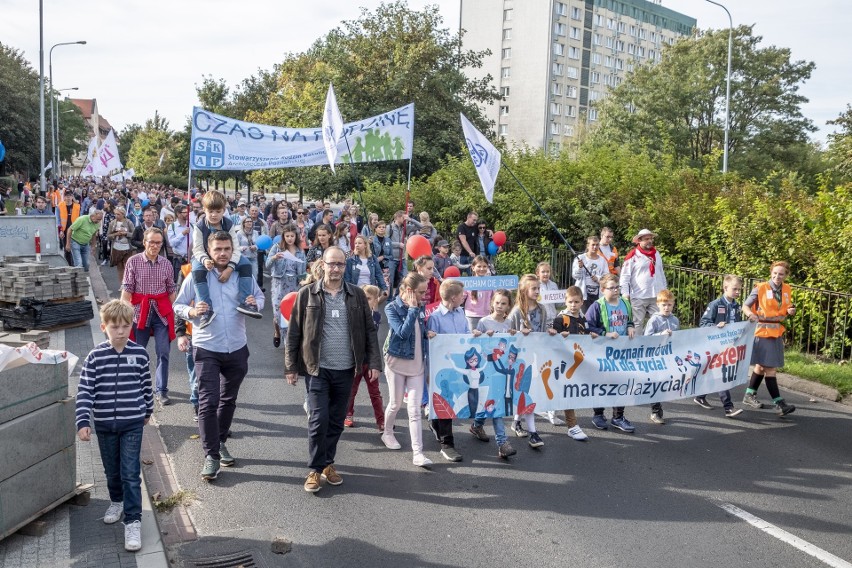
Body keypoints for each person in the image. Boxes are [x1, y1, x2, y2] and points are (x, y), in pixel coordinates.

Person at [284, 247, 382, 493]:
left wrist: (375, 363)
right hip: (318, 369)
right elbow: (294, 332)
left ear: (344, 266)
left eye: (340, 264)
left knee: (337, 422)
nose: (336, 268)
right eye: (332, 264)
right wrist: (291, 367)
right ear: (323, 265)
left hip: (347, 369)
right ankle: (315, 470)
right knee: (319, 420)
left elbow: (369, 331)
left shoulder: (357, 295)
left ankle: (328, 463)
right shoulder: (307, 294)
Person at [174, 230, 264, 481]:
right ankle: (211, 455)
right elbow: (178, 305)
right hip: (206, 347)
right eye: (218, 250)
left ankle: (220, 441)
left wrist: (255, 303)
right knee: (208, 401)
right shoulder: (196, 276)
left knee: (228, 400)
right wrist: (191, 312)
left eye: (226, 249)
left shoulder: (241, 274)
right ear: (210, 253)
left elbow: (260, 298)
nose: (223, 254)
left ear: (231, 250)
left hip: (236, 347)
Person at [75, 300, 153, 552]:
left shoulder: (139, 353)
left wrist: (147, 410)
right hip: (105, 424)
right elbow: (85, 390)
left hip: (132, 423)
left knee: (130, 472)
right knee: (112, 470)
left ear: (132, 326)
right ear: (103, 327)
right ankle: (116, 501)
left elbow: (145, 386)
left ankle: (133, 521)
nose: (120, 331)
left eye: (126, 326)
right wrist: (83, 421)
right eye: (115, 326)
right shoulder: (95, 356)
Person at [427, 279, 482, 462]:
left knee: (458, 402)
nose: (464, 296)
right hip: (444, 368)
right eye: (461, 295)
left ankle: (434, 423)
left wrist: (472, 335)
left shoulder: (461, 313)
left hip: (461, 366)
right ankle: (447, 444)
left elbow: (464, 335)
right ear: (452, 297)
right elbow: (432, 347)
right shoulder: (435, 317)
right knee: (446, 402)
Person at [121, 228, 177, 405]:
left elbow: (171, 291)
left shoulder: (167, 264)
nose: (154, 246)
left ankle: (162, 390)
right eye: (151, 242)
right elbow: (127, 290)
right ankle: (136, 388)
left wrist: (176, 315)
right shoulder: (133, 261)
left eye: (158, 243)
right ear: (144, 242)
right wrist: (123, 316)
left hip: (161, 312)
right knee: (137, 353)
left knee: (164, 352)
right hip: (139, 313)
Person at [190, 191, 261, 327]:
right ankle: (206, 309)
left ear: (224, 210)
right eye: (211, 211)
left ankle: (245, 301)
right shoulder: (199, 226)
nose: (214, 215)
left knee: (246, 264)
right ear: (204, 210)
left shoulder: (228, 224)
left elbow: (235, 248)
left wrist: (230, 268)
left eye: (218, 211)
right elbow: (197, 249)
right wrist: (205, 260)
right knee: (197, 270)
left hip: (226, 255)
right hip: (205, 256)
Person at [507, 274, 556, 447]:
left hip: (535, 357)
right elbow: (509, 335)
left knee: (529, 393)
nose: (537, 291)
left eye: (538, 288)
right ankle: (532, 432)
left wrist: (548, 333)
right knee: (525, 393)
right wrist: (520, 334)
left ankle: (518, 422)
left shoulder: (542, 310)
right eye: (534, 288)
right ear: (524, 290)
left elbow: (542, 331)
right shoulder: (516, 312)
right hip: (520, 359)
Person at [741, 261, 797, 416]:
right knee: (770, 368)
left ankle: (749, 394)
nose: (777, 276)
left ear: (786, 275)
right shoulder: (761, 288)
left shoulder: (787, 289)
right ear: (771, 272)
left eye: (781, 274)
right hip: (762, 331)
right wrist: (750, 314)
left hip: (776, 331)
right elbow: (745, 306)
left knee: (760, 366)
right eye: (775, 273)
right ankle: (779, 403)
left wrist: (791, 310)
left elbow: (786, 306)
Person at [586, 273, 636, 432]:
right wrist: (604, 334)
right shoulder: (597, 306)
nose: (616, 290)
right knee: (601, 383)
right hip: (602, 352)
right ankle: (598, 415)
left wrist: (630, 326)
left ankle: (618, 417)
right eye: (612, 288)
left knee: (621, 382)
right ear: (602, 290)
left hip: (621, 352)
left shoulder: (625, 303)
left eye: (618, 287)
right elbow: (587, 326)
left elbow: (629, 320)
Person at [474, 288, 519, 458]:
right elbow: (476, 345)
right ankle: (502, 442)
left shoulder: (508, 324)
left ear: (508, 306)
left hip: (502, 372)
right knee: (493, 404)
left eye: (504, 303)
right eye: (497, 302)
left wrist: (514, 335)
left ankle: (478, 425)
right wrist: (484, 335)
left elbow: (510, 346)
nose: (500, 306)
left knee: (492, 404)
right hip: (487, 371)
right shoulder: (484, 322)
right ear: (492, 303)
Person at [695, 275, 746, 417]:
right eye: (735, 289)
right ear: (725, 288)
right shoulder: (715, 304)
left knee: (713, 373)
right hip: (714, 345)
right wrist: (716, 326)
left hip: (728, 346)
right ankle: (728, 408)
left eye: (739, 290)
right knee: (721, 375)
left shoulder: (736, 306)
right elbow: (703, 323)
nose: (737, 292)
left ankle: (700, 396)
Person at [551, 286, 594, 441]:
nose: (573, 305)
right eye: (570, 302)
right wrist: (558, 335)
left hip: (577, 362)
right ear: (565, 302)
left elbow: (586, 334)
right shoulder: (561, 318)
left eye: (576, 302)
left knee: (567, 391)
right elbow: (552, 336)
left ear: (582, 302)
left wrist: (593, 336)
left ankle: (552, 409)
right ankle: (572, 426)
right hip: (563, 363)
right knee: (568, 391)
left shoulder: (583, 319)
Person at [344, 285, 387, 432]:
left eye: (368, 298)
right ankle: (348, 415)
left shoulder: (375, 316)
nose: (365, 301)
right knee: (351, 391)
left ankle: (381, 421)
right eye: (363, 298)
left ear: (375, 300)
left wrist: (375, 307)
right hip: (356, 360)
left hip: (370, 362)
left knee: (375, 393)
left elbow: (373, 328)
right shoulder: (353, 314)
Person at [643, 289, 680, 425]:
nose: (666, 307)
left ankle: (659, 408)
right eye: (664, 304)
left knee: (664, 383)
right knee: (656, 383)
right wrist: (661, 334)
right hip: (655, 357)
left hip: (668, 357)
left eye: (669, 305)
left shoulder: (675, 320)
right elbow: (647, 338)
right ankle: (655, 411)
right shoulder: (654, 319)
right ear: (658, 304)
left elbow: (678, 338)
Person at [266, 224, 306, 347]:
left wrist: (303, 281)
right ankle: (277, 332)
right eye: (287, 236)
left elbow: (302, 272)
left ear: (296, 237)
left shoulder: (300, 251)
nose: (289, 238)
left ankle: (287, 342)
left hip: (293, 284)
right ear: (283, 237)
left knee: (290, 314)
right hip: (279, 283)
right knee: (278, 314)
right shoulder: (277, 248)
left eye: (292, 236)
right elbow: (267, 265)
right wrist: (274, 257)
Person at [620, 228, 667, 331]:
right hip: (638, 295)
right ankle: (636, 345)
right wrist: (625, 293)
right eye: (646, 239)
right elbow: (625, 276)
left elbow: (661, 272)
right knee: (637, 323)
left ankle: (655, 344)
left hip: (656, 294)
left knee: (658, 321)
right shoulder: (633, 256)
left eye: (650, 239)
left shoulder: (656, 254)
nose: (649, 241)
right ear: (639, 241)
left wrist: (664, 290)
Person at [573, 236, 610, 311]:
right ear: (588, 246)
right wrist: (580, 267)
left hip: (598, 294)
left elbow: (607, 278)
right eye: (593, 245)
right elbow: (575, 276)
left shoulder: (603, 261)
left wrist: (598, 278)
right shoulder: (580, 258)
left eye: (597, 245)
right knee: (584, 317)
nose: (595, 247)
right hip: (583, 294)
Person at [464, 256, 493, 330]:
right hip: (471, 316)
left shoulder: (491, 282)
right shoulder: (468, 282)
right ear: (473, 267)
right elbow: (462, 297)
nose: (482, 269)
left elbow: (495, 297)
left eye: (484, 266)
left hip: (486, 315)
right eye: (479, 266)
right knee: (472, 338)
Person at [108, 207, 135, 283]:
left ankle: (128, 282)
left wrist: (126, 233)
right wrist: (116, 234)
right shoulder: (112, 223)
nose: (116, 216)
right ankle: (121, 284)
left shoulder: (129, 222)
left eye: (118, 214)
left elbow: (134, 234)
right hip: (116, 247)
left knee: (127, 266)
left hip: (127, 247)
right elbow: (108, 236)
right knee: (119, 266)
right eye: (115, 214)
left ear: (123, 214)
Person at [236, 216, 260, 284]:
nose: (249, 223)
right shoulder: (239, 233)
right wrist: (242, 248)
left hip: (253, 257)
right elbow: (236, 246)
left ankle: (253, 292)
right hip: (244, 257)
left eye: (251, 221)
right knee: (245, 276)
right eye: (247, 222)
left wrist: (255, 247)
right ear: (243, 223)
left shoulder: (255, 232)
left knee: (254, 276)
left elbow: (258, 244)